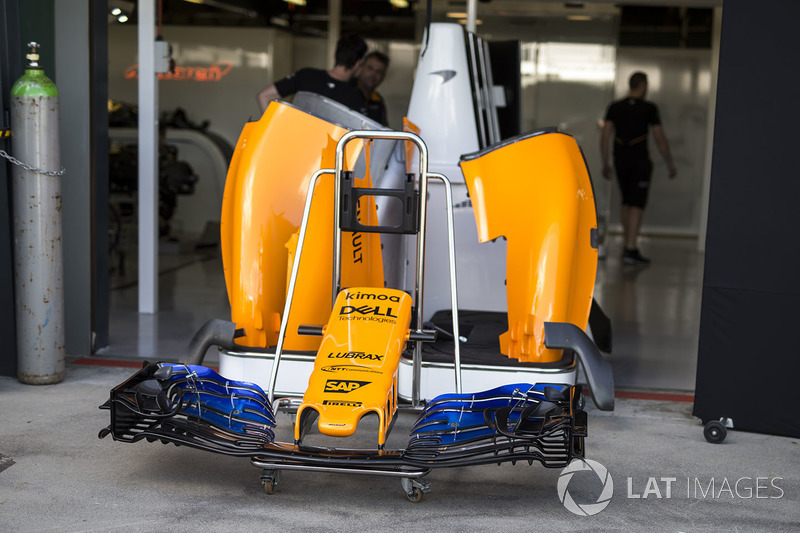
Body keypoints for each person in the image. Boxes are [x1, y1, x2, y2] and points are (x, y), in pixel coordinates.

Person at [601, 71, 677, 266]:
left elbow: (605, 135)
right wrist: (669, 162)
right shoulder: (649, 108)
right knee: (636, 204)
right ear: (642, 85)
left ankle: (628, 245)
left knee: (627, 202)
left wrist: (605, 162)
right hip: (640, 161)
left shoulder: (615, 107)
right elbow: (659, 137)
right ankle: (631, 249)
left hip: (620, 160)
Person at [256, 34, 367, 114]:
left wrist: (275, 131)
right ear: (357, 64)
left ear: (335, 55)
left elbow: (263, 96)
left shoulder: (307, 75)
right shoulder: (354, 95)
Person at [355, 51, 390, 126]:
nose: (373, 75)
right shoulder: (346, 90)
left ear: (383, 76)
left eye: (379, 72)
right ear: (361, 67)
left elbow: (384, 130)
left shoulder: (378, 100)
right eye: (370, 68)